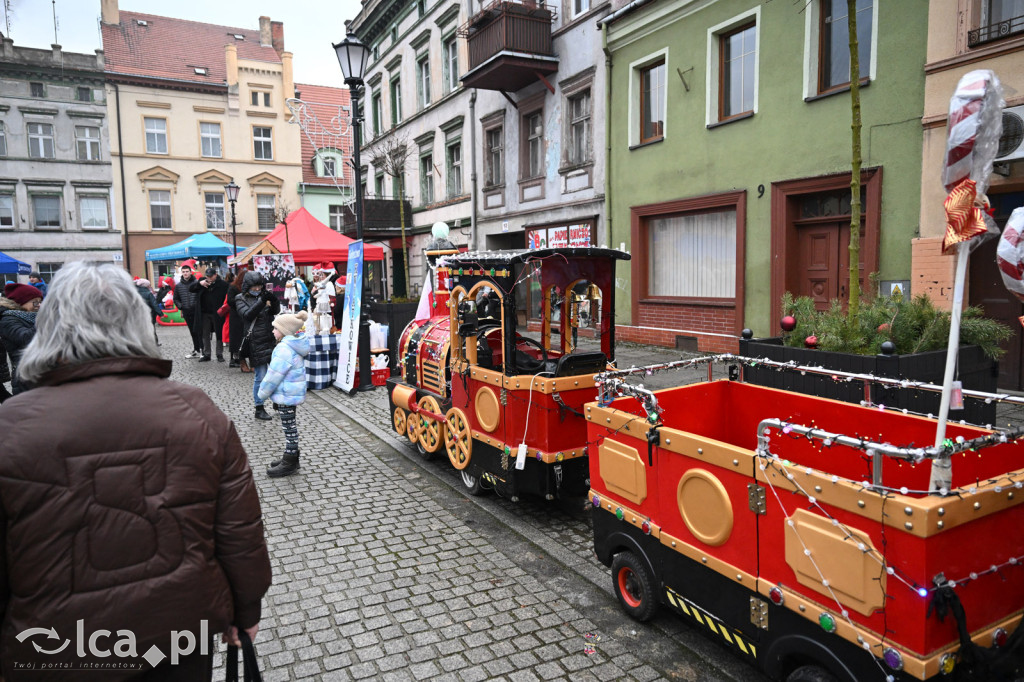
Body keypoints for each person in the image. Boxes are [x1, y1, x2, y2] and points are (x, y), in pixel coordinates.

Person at [0, 261, 271, 680]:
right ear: (137, 323)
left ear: (49, 326)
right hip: (178, 636)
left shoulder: (10, 426)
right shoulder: (195, 410)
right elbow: (238, 532)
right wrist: (245, 609)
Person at [258, 310, 310, 477]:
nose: (272, 331)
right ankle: (291, 457)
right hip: (289, 394)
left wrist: (262, 393)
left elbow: (274, 375)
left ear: (285, 330)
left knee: (289, 428)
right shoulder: (292, 345)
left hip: (286, 395)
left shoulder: (284, 349)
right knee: (289, 426)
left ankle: (290, 461)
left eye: (275, 328)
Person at [235, 271, 281, 420]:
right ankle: (259, 407)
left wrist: (274, 300)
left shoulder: (263, 295)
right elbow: (247, 315)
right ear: (247, 286)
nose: (256, 289)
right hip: (256, 342)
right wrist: (262, 301)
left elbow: (275, 312)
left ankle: (276, 402)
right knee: (260, 377)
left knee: (275, 374)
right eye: (254, 287)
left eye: (259, 286)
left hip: (269, 339)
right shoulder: (240, 298)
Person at [0, 282, 43, 396]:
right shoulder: (8, 319)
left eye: (40, 302)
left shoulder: (32, 316)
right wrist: (45, 320)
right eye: (35, 302)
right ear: (21, 301)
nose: (39, 305)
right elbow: (26, 339)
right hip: (25, 377)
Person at [190, 267, 229, 362]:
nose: (209, 278)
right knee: (205, 333)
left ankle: (219, 354)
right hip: (204, 312)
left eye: (211, 276)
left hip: (218, 313)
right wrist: (200, 284)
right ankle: (206, 354)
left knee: (219, 333)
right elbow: (191, 289)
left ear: (215, 275)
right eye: (207, 276)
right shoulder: (202, 282)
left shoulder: (223, 284)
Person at [173, 265, 202, 358]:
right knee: (192, 331)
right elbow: (176, 299)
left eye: (187, 271)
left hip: (196, 311)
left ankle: (203, 350)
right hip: (186, 311)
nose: (185, 273)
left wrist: (198, 306)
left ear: (190, 272)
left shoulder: (197, 283)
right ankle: (196, 350)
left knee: (199, 331)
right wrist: (181, 306)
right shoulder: (178, 286)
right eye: (184, 272)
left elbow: (201, 296)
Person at [226, 269, 248, 369]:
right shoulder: (233, 287)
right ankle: (237, 358)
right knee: (236, 338)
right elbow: (230, 301)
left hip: (247, 315)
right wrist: (241, 300)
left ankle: (246, 358)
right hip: (236, 316)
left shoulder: (250, 287)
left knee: (246, 337)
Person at [135, 277, 163, 345]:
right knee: (151, 328)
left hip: (137, 313)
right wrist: (160, 314)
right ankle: (154, 342)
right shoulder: (148, 293)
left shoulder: (134, 293)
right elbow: (154, 304)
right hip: (148, 314)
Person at [310, 270, 336, 335]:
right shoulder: (318, 284)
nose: (321, 277)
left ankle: (326, 327)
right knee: (319, 315)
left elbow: (331, 295)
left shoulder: (329, 284)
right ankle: (320, 328)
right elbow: (313, 293)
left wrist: (331, 301)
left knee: (325, 315)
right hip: (319, 301)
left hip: (325, 301)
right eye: (320, 275)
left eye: (322, 275)